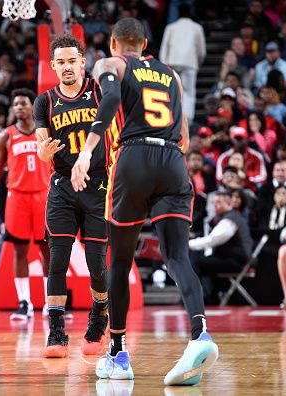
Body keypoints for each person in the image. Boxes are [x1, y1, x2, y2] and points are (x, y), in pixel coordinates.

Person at [71, 18, 218, 385]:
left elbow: (112, 100)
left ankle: (118, 354)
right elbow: (183, 136)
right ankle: (200, 332)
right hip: (173, 161)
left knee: (119, 261)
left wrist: (87, 151)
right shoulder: (173, 76)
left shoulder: (112, 65)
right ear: (146, 43)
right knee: (177, 257)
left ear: (114, 45)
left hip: (133, 158)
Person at [34, 35, 109, 358]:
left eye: (71, 61)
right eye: (60, 62)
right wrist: (43, 151)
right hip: (63, 185)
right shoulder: (45, 101)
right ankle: (56, 330)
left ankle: (98, 319)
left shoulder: (99, 91)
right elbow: (41, 146)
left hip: (99, 185)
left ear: (83, 62)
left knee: (96, 265)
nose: (66, 67)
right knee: (57, 262)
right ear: (53, 66)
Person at [0, 89, 51, 321]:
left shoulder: (46, 132)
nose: (18, 107)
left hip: (43, 196)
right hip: (17, 197)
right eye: (15, 104)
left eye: (23, 103)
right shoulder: (6, 135)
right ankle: (25, 303)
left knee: (47, 250)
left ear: (33, 106)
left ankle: (52, 303)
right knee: (19, 251)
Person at [159, 3, 206, 125]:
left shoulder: (171, 27)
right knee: (189, 93)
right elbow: (202, 51)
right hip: (190, 63)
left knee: (172, 90)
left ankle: (171, 117)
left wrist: (164, 66)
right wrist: (197, 63)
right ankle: (188, 120)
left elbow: (164, 48)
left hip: (172, 63)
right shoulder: (197, 27)